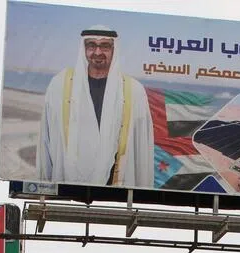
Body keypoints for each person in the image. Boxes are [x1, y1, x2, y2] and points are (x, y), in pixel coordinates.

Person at [39, 25, 154, 187]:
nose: (97, 52)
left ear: (114, 49)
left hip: (114, 186)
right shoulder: (60, 84)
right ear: (84, 49)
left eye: (105, 46)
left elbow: (142, 148)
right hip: (67, 185)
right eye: (91, 45)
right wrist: (43, 187)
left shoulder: (133, 90)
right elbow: (46, 139)